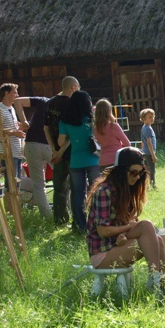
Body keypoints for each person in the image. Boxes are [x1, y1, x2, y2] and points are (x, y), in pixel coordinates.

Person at [86, 147, 165, 293]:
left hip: (117, 245)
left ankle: (162, 283)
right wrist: (128, 227)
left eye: (141, 173)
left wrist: (123, 233)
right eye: (133, 172)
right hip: (102, 253)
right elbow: (103, 231)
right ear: (122, 171)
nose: (137, 177)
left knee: (158, 240)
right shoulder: (104, 191)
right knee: (146, 226)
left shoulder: (127, 189)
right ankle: (157, 283)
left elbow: (126, 225)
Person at [58, 90, 100, 232]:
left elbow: (61, 141)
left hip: (75, 161)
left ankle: (81, 225)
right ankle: (97, 222)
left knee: (78, 193)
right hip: (93, 159)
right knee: (95, 192)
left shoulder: (65, 120)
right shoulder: (90, 118)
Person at [44, 76, 80, 226]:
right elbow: (72, 132)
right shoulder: (73, 104)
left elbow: (45, 128)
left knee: (59, 186)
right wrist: (61, 151)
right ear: (73, 87)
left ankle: (60, 219)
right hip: (71, 151)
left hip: (56, 150)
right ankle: (76, 221)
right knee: (75, 186)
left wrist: (54, 149)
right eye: (78, 87)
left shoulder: (50, 102)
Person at [13, 95, 53, 219]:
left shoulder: (43, 100)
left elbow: (17, 101)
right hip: (50, 145)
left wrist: (24, 121)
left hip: (32, 145)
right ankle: (64, 211)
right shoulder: (63, 105)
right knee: (65, 180)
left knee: (38, 184)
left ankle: (47, 216)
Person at [0, 83, 26, 215]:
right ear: (6, 93)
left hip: (16, 150)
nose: (16, 95)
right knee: (10, 182)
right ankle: (10, 212)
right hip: (6, 151)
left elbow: (9, 127)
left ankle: (16, 210)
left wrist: (17, 127)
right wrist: (13, 133)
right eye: (14, 92)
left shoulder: (11, 109)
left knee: (17, 181)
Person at [93, 99, 130, 170]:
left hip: (102, 161)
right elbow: (127, 143)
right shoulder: (113, 126)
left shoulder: (95, 129)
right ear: (109, 111)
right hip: (116, 159)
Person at [139, 108, 158, 189]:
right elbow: (149, 142)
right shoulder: (148, 129)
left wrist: (141, 150)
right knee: (152, 170)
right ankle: (153, 185)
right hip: (149, 153)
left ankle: (145, 185)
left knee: (146, 170)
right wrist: (153, 155)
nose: (152, 118)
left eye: (153, 116)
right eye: (149, 117)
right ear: (144, 119)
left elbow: (142, 141)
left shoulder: (144, 127)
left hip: (144, 152)